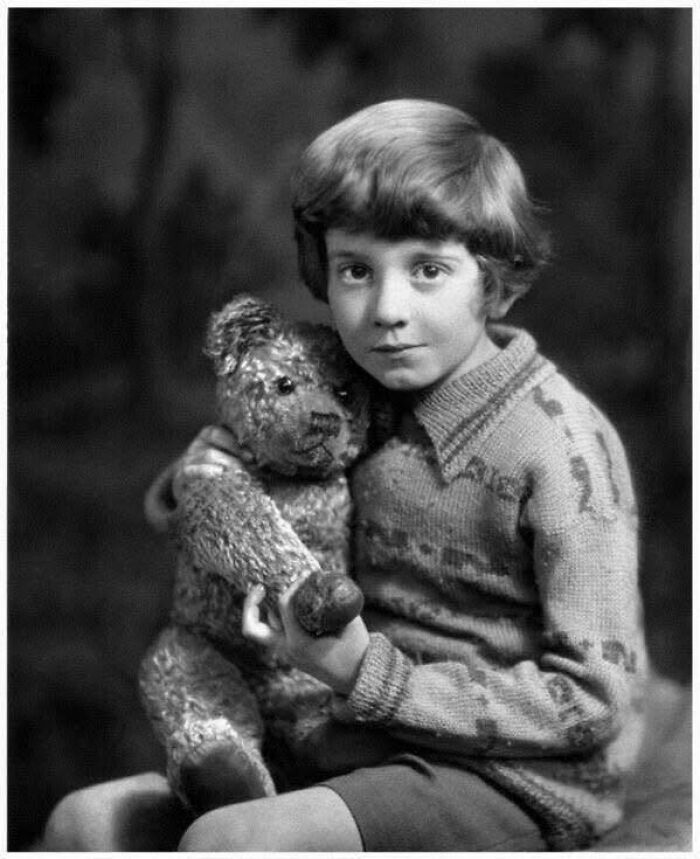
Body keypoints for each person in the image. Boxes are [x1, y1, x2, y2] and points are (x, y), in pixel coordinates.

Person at [40, 99, 647, 852]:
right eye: (357, 270)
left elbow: (594, 697)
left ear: (495, 280)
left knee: (230, 841)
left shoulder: (562, 448)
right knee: (83, 824)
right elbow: (272, 485)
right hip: (352, 732)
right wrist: (202, 480)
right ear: (321, 273)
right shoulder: (357, 395)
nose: (387, 309)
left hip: (510, 773)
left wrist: (370, 673)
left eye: (428, 269)